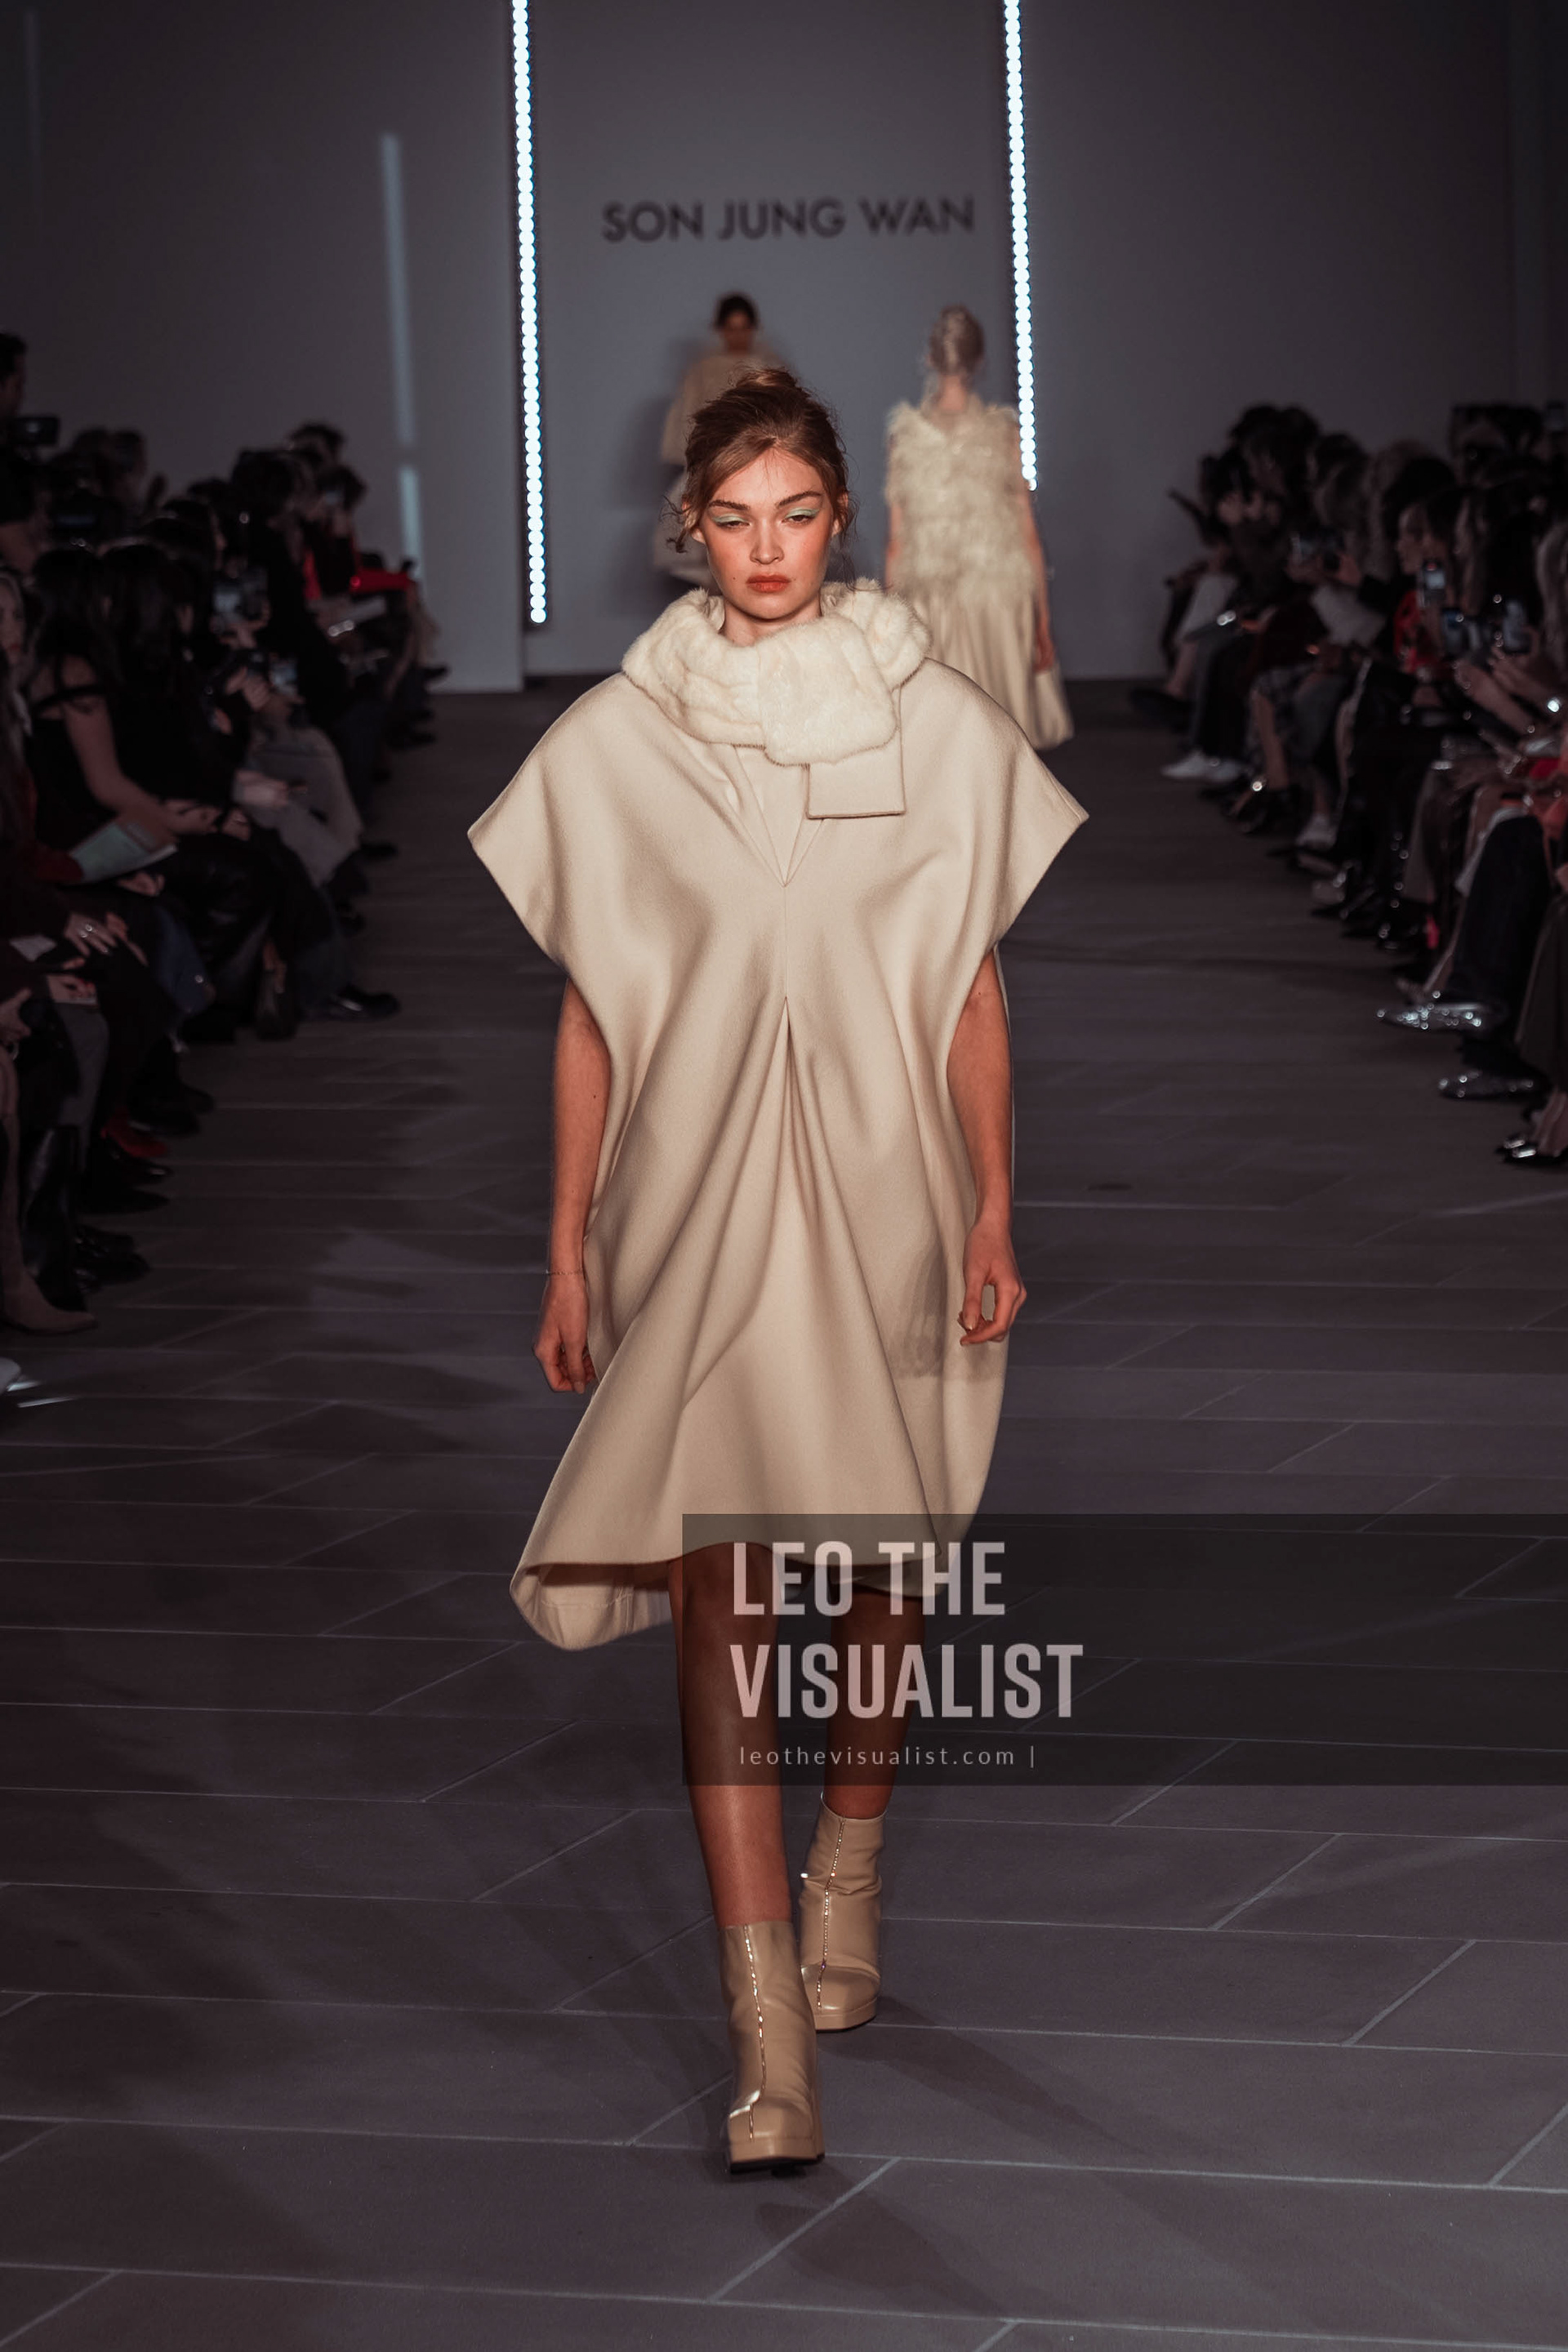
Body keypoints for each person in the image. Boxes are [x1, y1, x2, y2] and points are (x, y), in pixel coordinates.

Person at [471, 368, 1084, 2173]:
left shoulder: (935, 717)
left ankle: (851, 1865)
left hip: (893, 1191)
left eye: (795, 514)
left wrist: (993, 1207)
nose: (764, 549)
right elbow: (593, 1010)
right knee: (724, 1591)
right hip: (693, 1207)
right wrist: (566, 1242)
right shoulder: (621, 739)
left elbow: (971, 989)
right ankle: (765, 2037)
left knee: (887, 1560)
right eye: (732, 519)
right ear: (692, 528)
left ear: (840, 520)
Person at [884, 305, 1069, 750]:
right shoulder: (1004, 433)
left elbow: (897, 545)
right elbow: (1028, 534)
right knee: (1004, 740)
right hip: (1000, 600)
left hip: (932, 603)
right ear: (980, 361)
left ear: (930, 358)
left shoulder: (905, 436)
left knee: (941, 742)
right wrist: (1043, 622)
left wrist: (890, 625)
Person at [654, 293, 777, 585]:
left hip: (760, 465)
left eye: (744, 328)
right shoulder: (703, 371)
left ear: (754, 329)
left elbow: (782, 420)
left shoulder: (767, 367)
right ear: (720, 330)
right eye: (732, 328)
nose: (738, 336)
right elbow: (688, 418)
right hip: (712, 465)